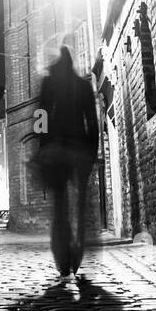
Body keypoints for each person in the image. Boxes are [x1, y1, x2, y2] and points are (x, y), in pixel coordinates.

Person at [33, 45, 99, 280]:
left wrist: (43, 147)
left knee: (60, 207)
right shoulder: (83, 86)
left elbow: (41, 116)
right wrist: (92, 153)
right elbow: (92, 121)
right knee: (80, 206)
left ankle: (62, 258)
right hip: (80, 149)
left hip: (57, 149)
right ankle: (77, 253)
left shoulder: (49, 83)